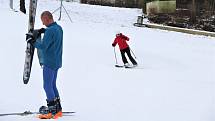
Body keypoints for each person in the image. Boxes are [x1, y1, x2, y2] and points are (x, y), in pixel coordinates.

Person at [26, 11, 63, 119]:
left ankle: (51, 111)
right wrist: (44, 31)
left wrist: (31, 42)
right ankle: (58, 109)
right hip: (57, 61)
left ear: (47, 19)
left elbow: (43, 46)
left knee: (47, 86)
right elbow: (52, 35)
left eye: (43, 22)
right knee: (52, 85)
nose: (43, 24)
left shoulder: (50, 31)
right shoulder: (58, 28)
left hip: (49, 62)